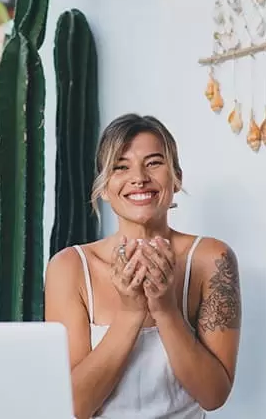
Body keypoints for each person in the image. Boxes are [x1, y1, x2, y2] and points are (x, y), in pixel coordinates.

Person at [44, 113, 241, 418]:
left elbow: (213, 395)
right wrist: (131, 312)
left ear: (176, 178)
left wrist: (165, 309)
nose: (139, 177)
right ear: (105, 188)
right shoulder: (69, 268)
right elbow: (73, 408)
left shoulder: (212, 260)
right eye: (121, 167)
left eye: (153, 163)